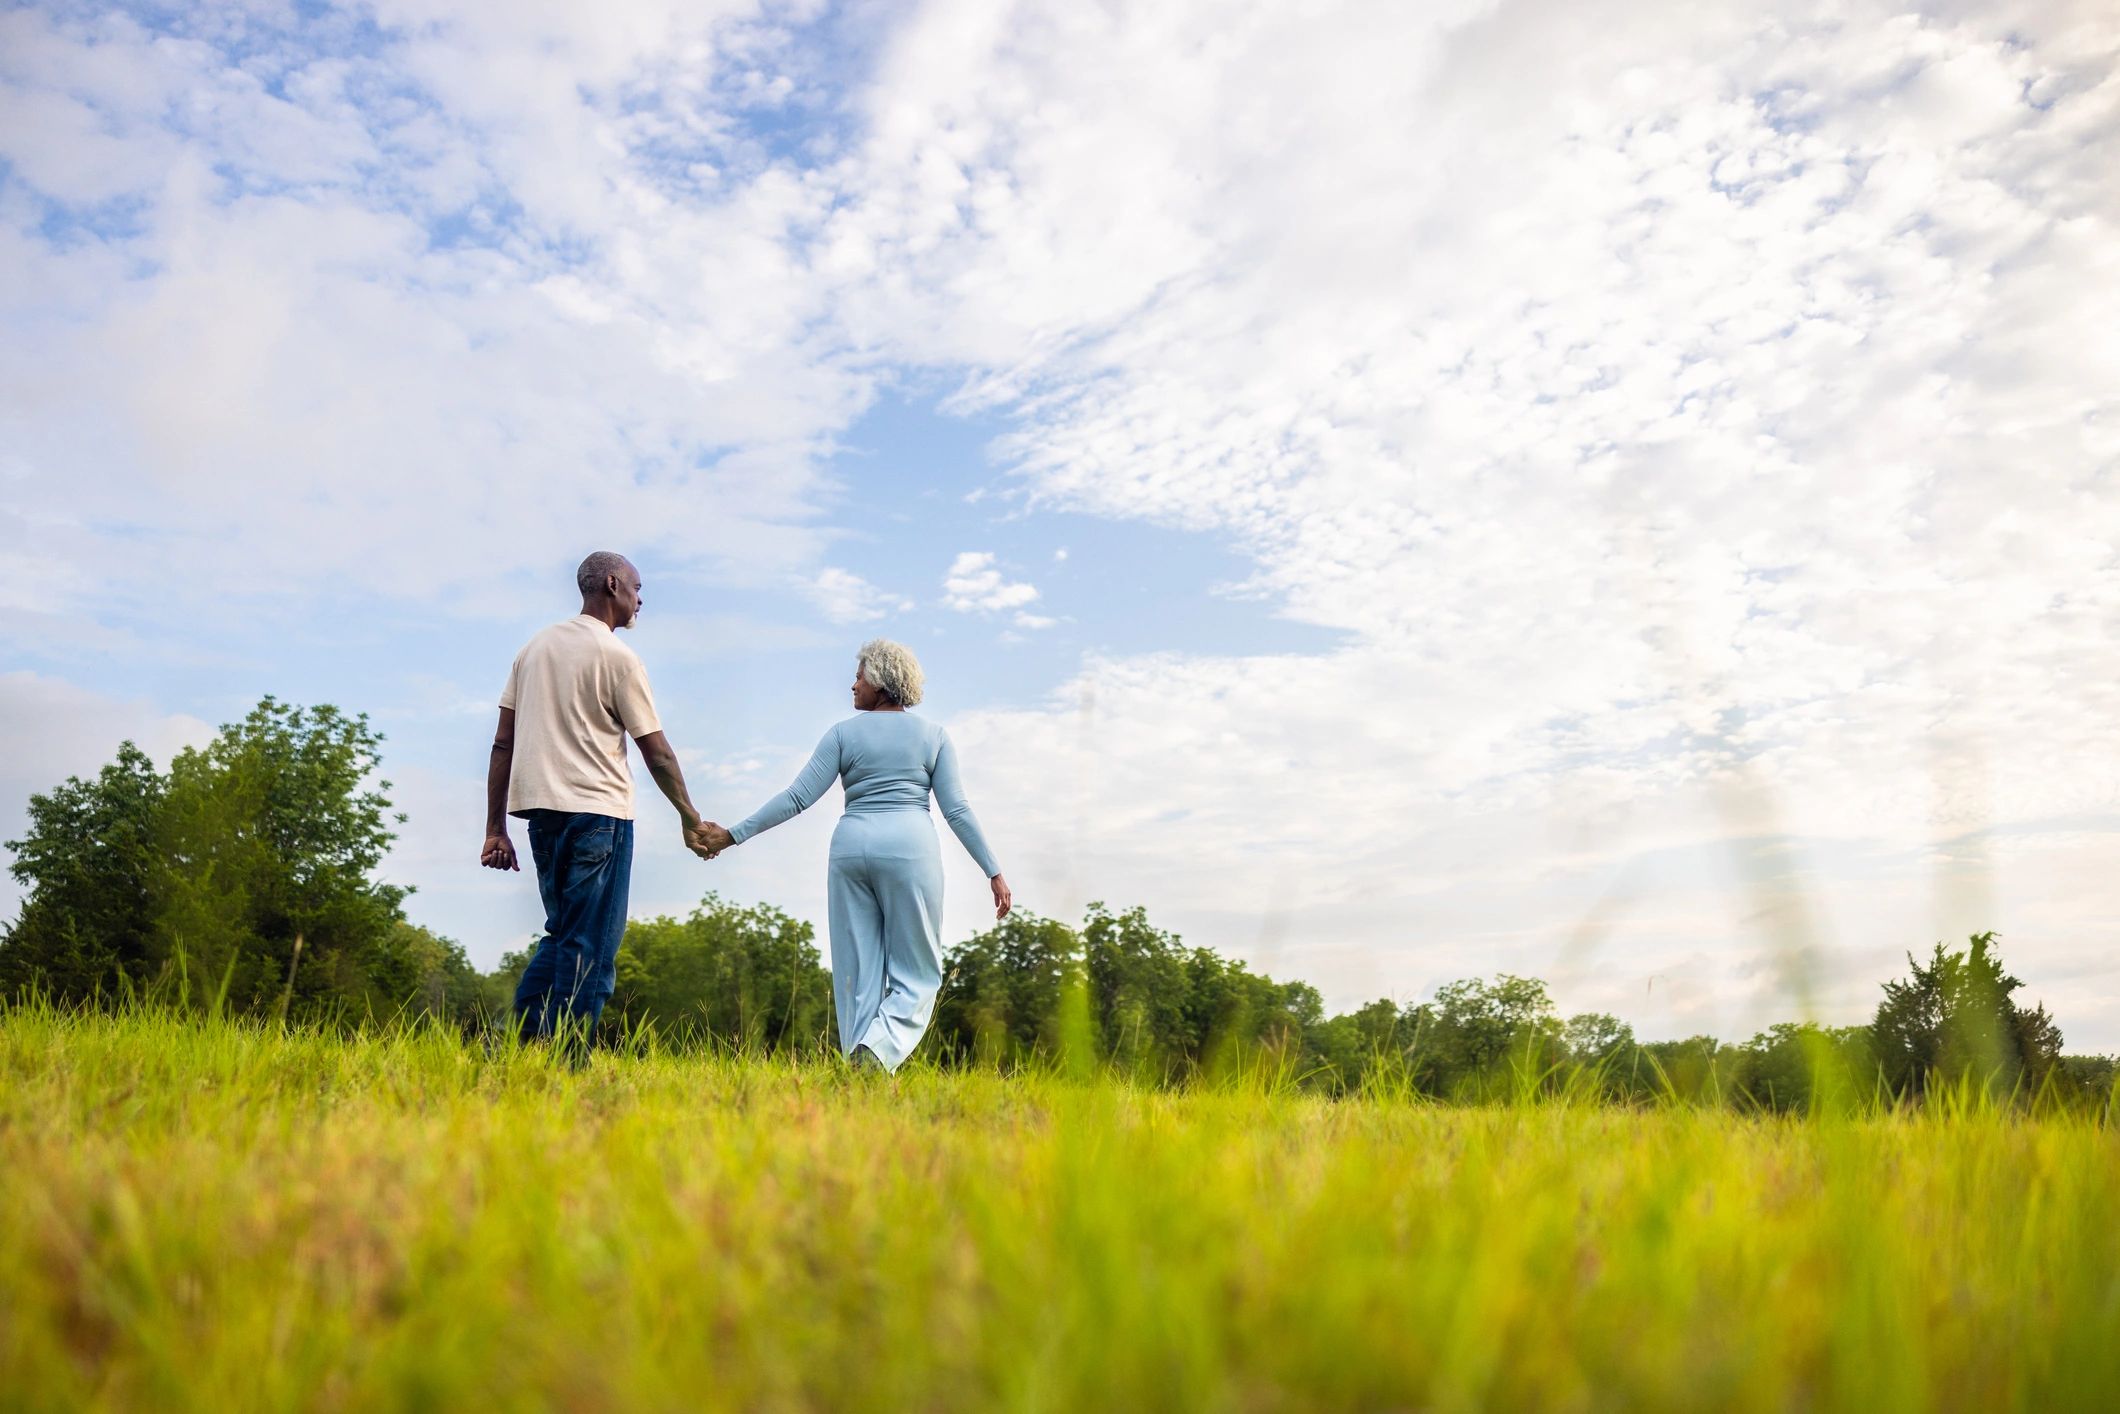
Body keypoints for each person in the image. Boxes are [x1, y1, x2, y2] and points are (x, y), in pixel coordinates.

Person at [694, 639, 1011, 1072]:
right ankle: (878, 1055)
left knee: (857, 976)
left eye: (859, 676)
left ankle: (858, 1074)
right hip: (910, 850)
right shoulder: (933, 736)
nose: (853, 684)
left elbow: (798, 797)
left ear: (880, 681)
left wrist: (732, 835)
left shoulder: (842, 733)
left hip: (850, 849)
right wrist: (992, 870)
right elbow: (956, 810)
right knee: (917, 974)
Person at [481, 551, 713, 1051]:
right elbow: (657, 751)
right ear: (612, 584)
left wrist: (495, 829)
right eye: (636, 586)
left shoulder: (533, 649)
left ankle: (518, 1050)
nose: (641, 597)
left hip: (540, 816)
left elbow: (503, 742)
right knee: (594, 949)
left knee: (564, 935)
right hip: (598, 818)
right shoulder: (618, 658)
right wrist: (689, 817)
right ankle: (568, 1063)